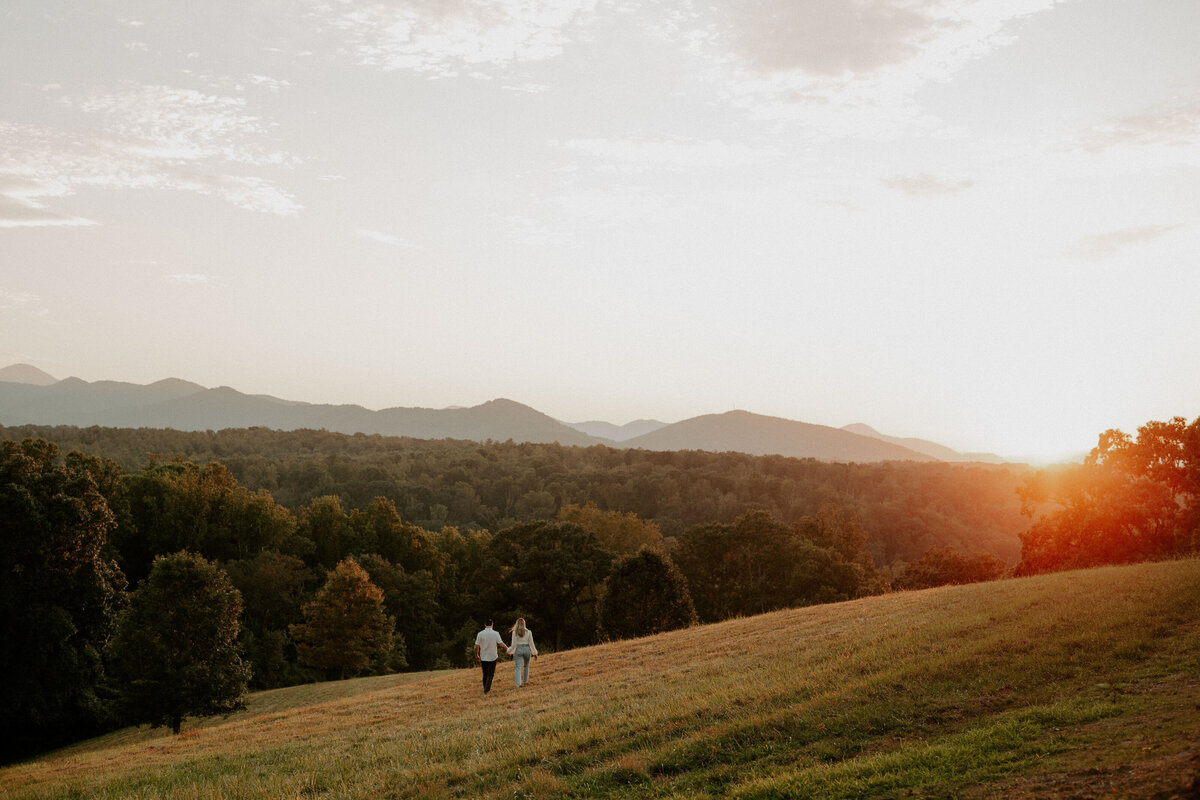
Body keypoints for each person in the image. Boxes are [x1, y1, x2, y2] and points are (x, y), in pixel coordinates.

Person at [474, 619, 505, 695]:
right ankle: (486, 690)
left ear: (485, 624)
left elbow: (476, 646)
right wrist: (508, 649)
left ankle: (485, 688)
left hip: (483, 656)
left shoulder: (480, 634)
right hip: (493, 656)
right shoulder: (496, 633)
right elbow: (501, 644)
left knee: (485, 673)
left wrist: (476, 655)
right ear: (492, 624)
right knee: (490, 674)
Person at [505, 618, 538, 688]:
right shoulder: (529, 632)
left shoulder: (514, 632)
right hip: (527, 649)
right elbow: (531, 644)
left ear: (517, 624)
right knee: (526, 666)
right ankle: (525, 682)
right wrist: (535, 653)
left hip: (518, 649)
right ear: (524, 624)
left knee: (518, 668)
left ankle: (518, 684)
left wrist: (509, 651)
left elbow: (513, 645)